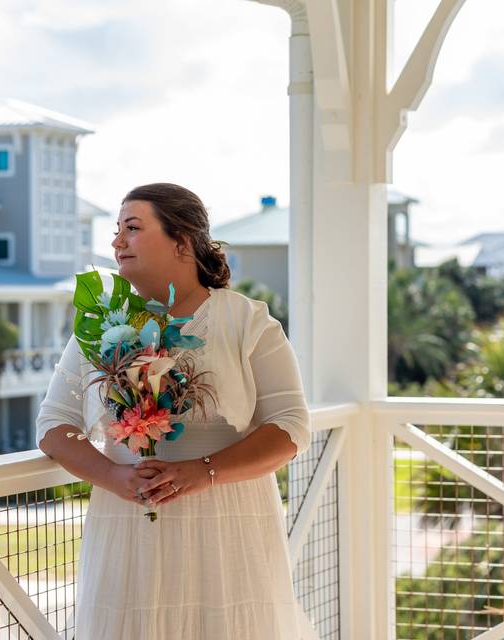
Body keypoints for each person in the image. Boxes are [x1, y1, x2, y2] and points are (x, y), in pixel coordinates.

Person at [36, 182, 312, 639]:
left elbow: (290, 427)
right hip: (128, 524)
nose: (116, 241)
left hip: (228, 524)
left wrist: (203, 471)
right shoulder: (101, 326)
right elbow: (53, 425)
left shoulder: (248, 322)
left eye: (133, 228)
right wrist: (116, 478)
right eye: (117, 230)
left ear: (181, 240)